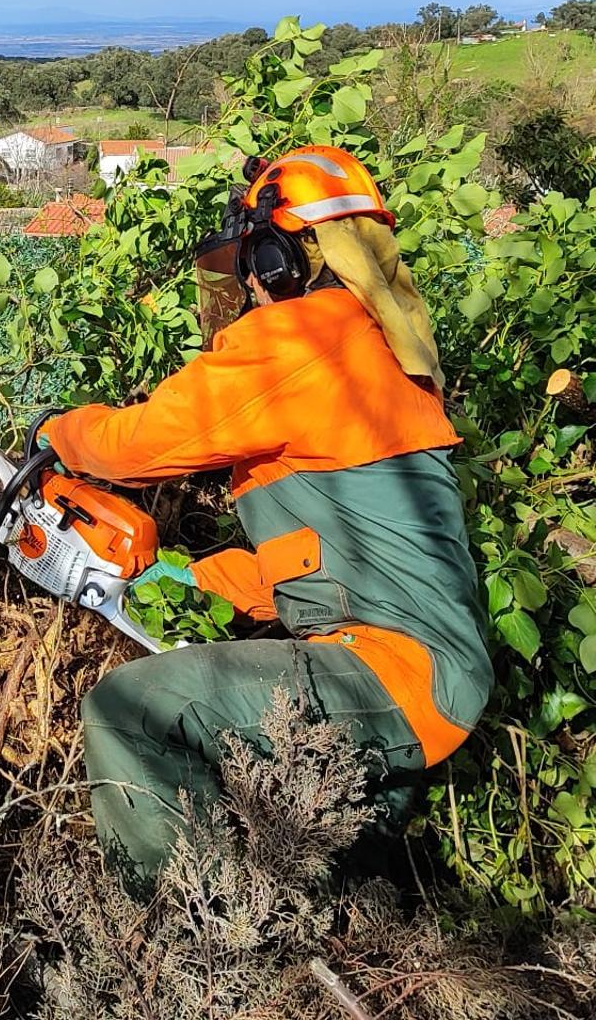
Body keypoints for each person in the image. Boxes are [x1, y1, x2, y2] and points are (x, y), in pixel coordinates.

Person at [40, 145, 492, 894]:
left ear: (283, 256)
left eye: (254, 257)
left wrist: (57, 435)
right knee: (340, 889)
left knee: (130, 712)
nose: (246, 278)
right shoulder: (377, 348)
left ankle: (190, 944)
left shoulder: (299, 342)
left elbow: (150, 439)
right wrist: (181, 580)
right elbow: (327, 557)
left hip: (392, 671)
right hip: (417, 669)